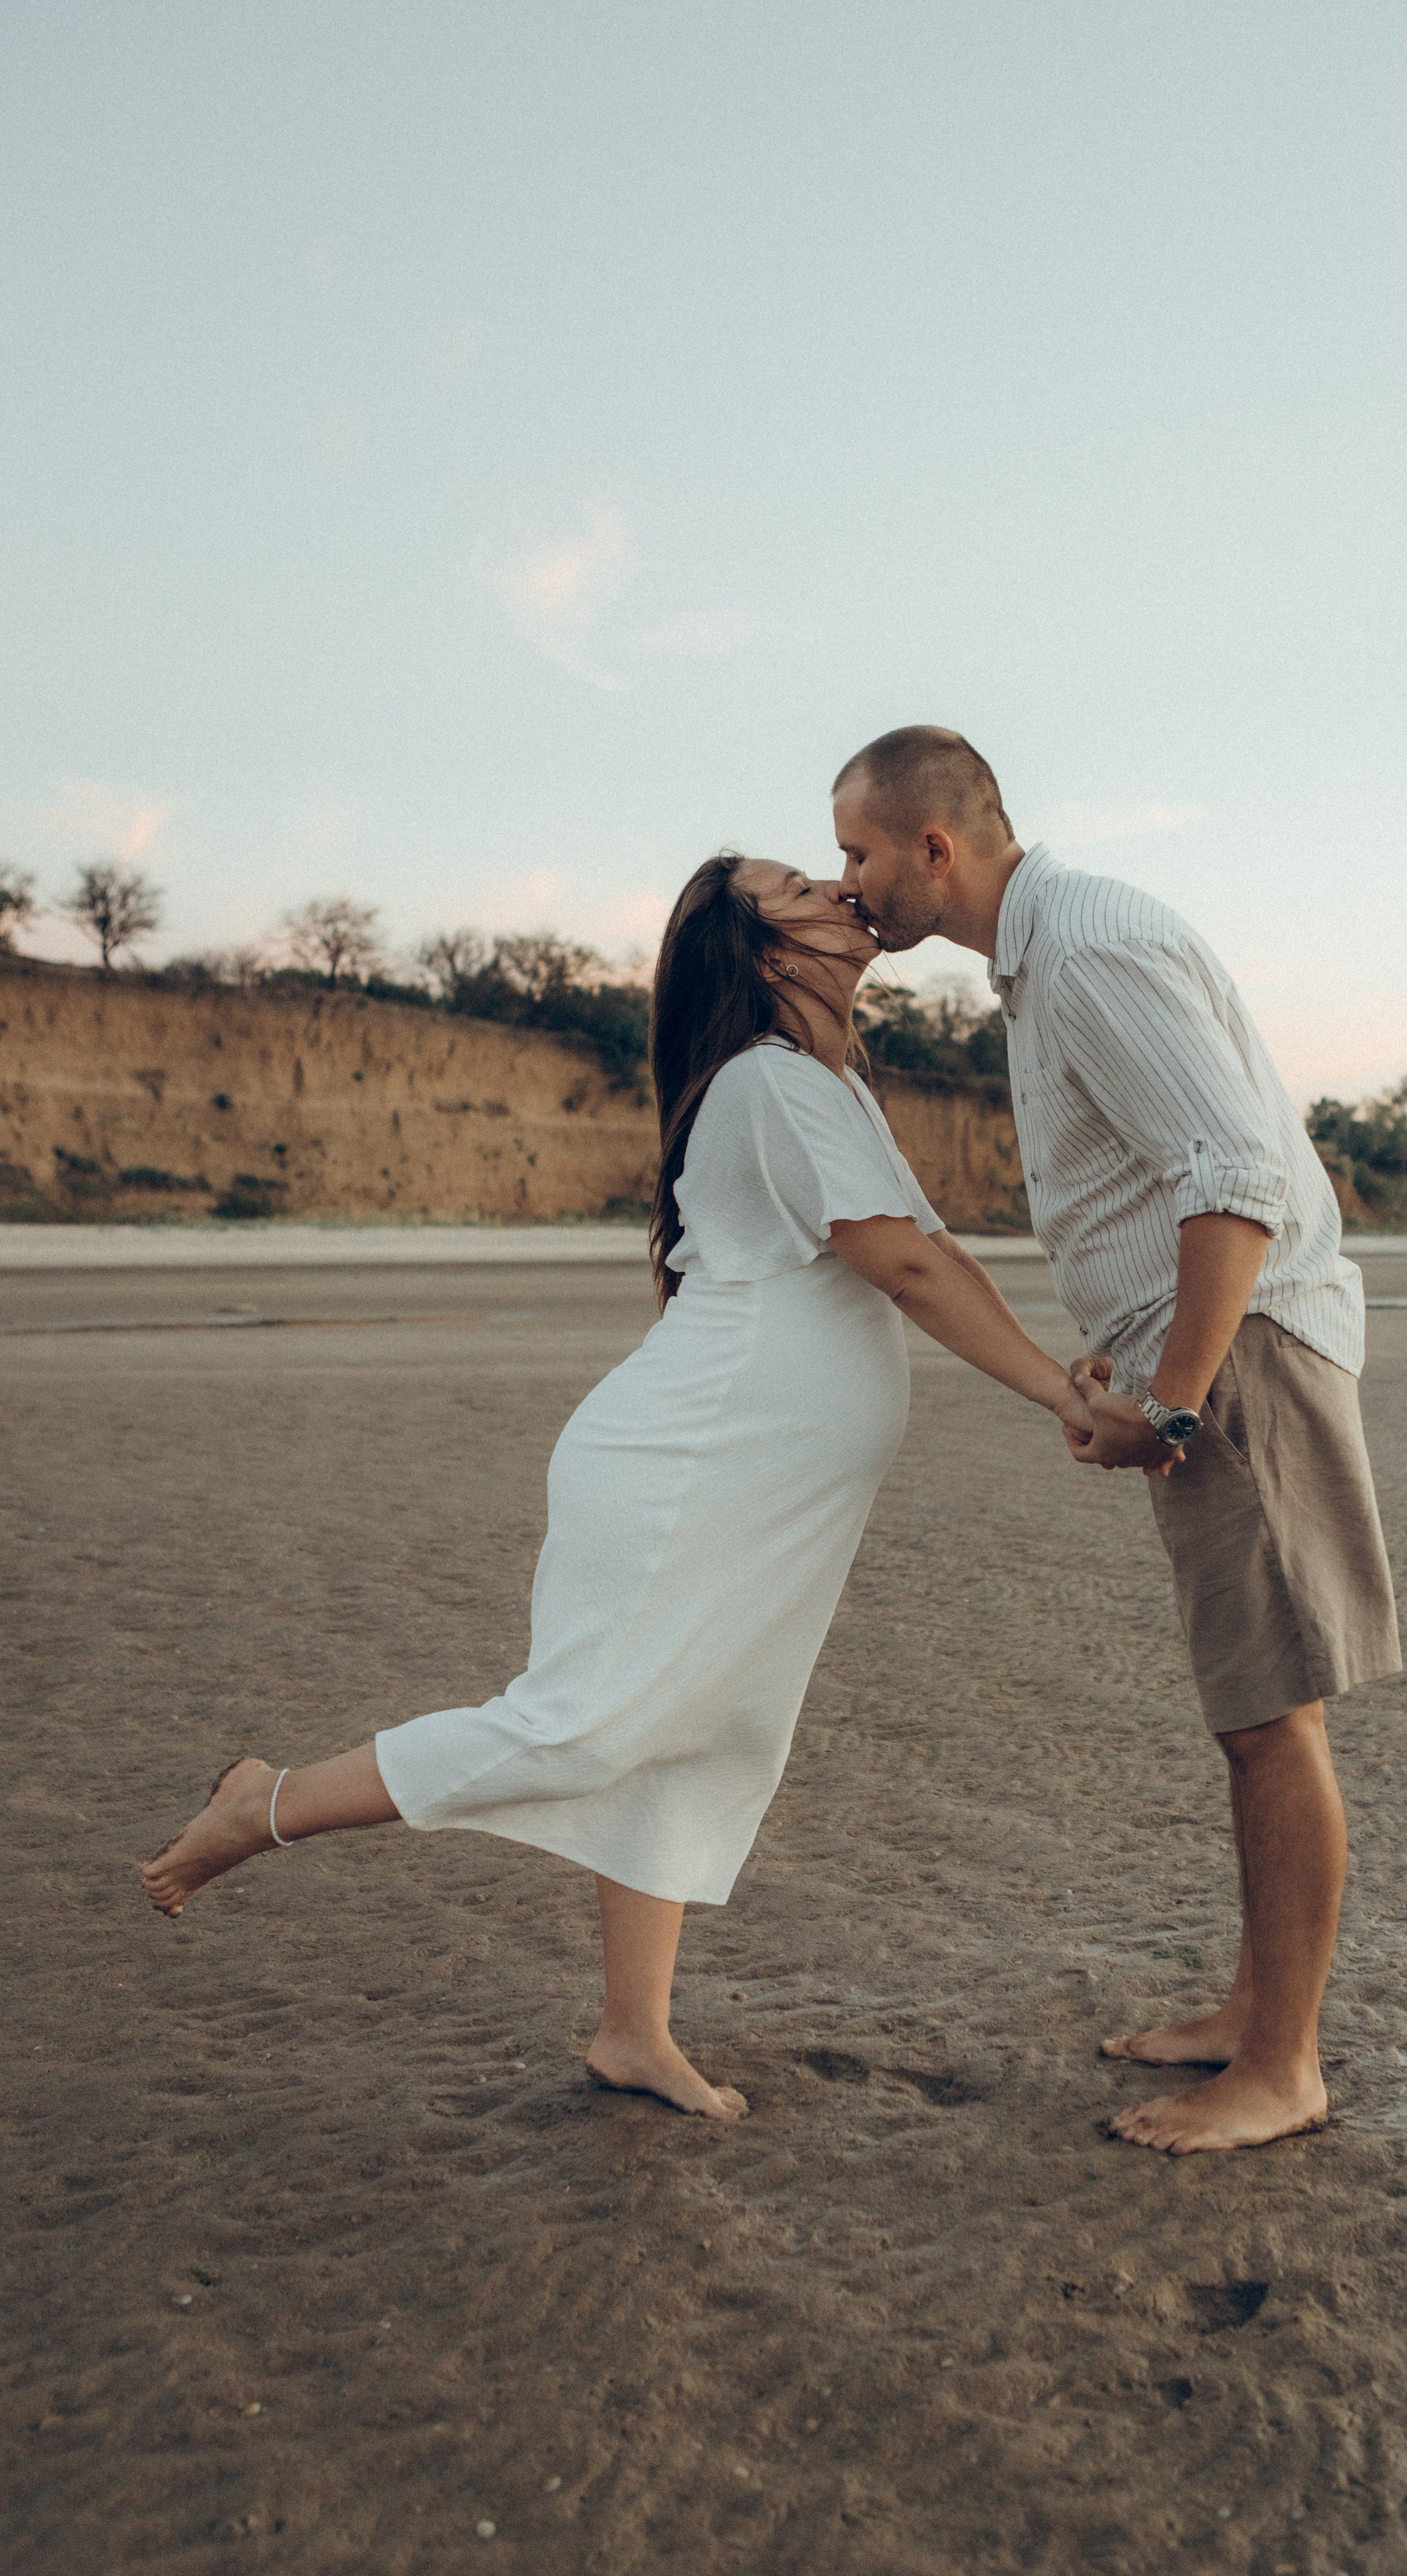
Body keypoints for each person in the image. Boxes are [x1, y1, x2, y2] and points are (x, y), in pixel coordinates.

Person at [142, 852, 1094, 2123]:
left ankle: (632, 2032)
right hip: (690, 1467)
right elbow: (906, 1272)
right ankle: (262, 1804)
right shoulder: (768, 1082)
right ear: (760, 952)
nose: (837, 890)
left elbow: (934, 1251)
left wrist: (1072, 1368)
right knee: (583, 1725)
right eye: (800, 888)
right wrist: (1058, 1396)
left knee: (706, 1735)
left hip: (758, 1490)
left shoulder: (830, 1086)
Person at [833, 727, 1402, 2155]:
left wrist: (1171, 1394)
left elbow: (1232, 1175)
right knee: (1252, 1709)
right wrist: (1144, 1360)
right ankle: (1251, 2010)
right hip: (1220, 1357)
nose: (851, 885)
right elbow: (1169, 1182)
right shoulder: (1051, 959)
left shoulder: (1079, 950)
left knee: (1268, 1717)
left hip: (1246, 1357)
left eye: (859, 853)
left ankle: (1282, 2068)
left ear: (935, 849)